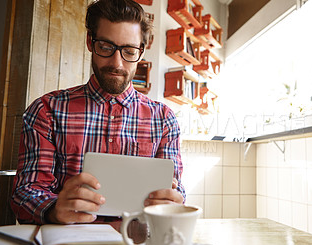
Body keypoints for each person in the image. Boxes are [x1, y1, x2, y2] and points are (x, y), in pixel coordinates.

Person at [11, 0, 185, 229]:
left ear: (141, 52)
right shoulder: (46, 110)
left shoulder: (164, 119)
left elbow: (177, 192)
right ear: (89, 42)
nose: (117, 63)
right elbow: (26, 192)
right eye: (105, 47)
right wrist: (54, 210)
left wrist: (173, 202)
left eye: (129, 51)